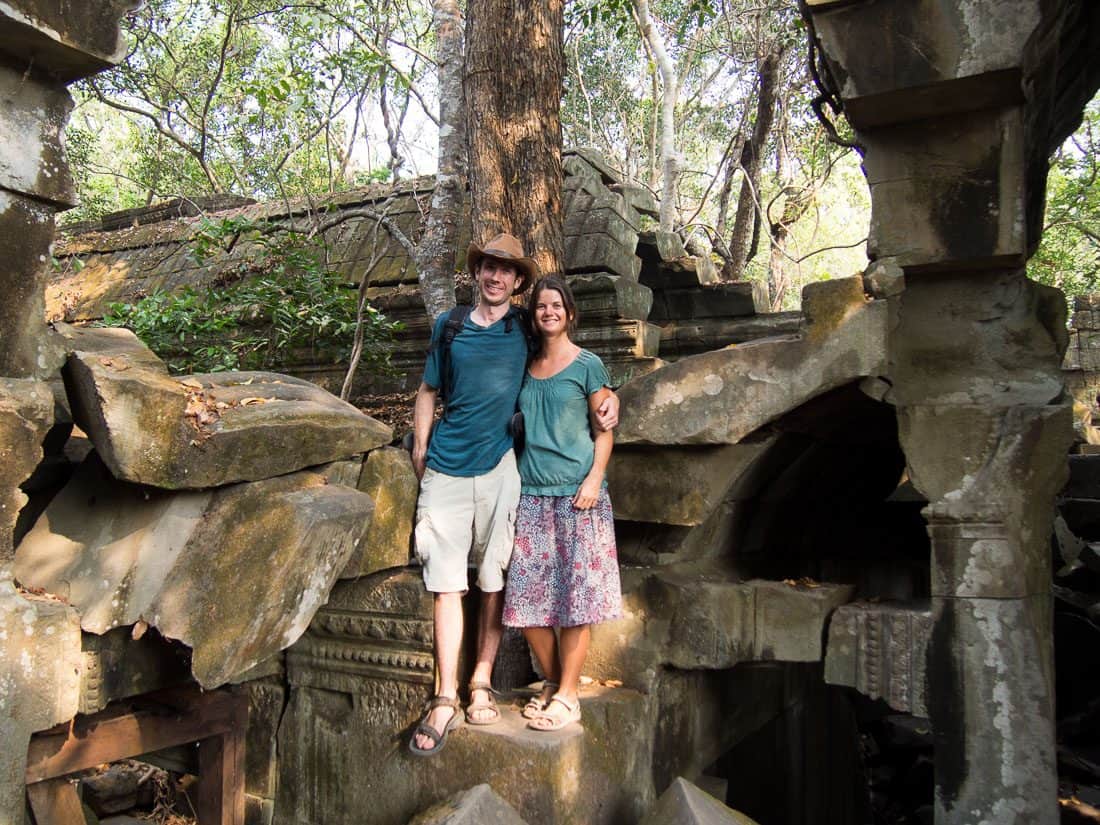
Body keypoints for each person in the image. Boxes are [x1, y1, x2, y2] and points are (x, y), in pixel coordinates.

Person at [408, 234, 618, 756]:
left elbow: (590, 390)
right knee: (472, 589)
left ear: (517, 282)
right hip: (481, 479)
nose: (496, 277)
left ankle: (515, 686)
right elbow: (429, 390)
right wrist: (420, 443)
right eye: (488, 268)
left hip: (534, 481)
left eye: (507, 271)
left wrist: (611, 400)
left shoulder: (531, 333)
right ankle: (452, 695)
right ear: (478, 273)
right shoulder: (457, 327)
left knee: (522, 584)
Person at [502, 276, 622, 732]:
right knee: (528, 605)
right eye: (540, 307)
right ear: (533, 316)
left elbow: (604, 427)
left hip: (579, 496)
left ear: (570, 312)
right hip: (531, 494)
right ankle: (557, 682)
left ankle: (568, 696)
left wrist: (594, 478)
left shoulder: (587, 364)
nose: (548, 312)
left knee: (577, 600)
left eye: (556, 305)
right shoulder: (526, 365)